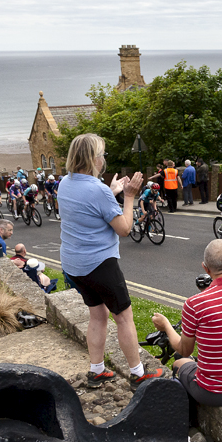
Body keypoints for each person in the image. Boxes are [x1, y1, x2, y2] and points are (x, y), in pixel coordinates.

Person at [58, 133, 166, 389]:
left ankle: (97, 371)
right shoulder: (97, 190)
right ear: (93, 158)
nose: (104, 158)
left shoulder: (65, 182)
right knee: (124, 317)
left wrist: (111, 191)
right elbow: (125, 228)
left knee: (97, 315)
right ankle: (138, 374)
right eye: (102, 154)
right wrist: (128, 196)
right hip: (99, 264)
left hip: (73, 264)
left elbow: (88, 203)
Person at [151, 239, 222, 409]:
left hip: (214, 393)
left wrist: (166, 326)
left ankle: (189, 420)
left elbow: (185, 350)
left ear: (205, 268)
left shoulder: (195, 303)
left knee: (179, 363)